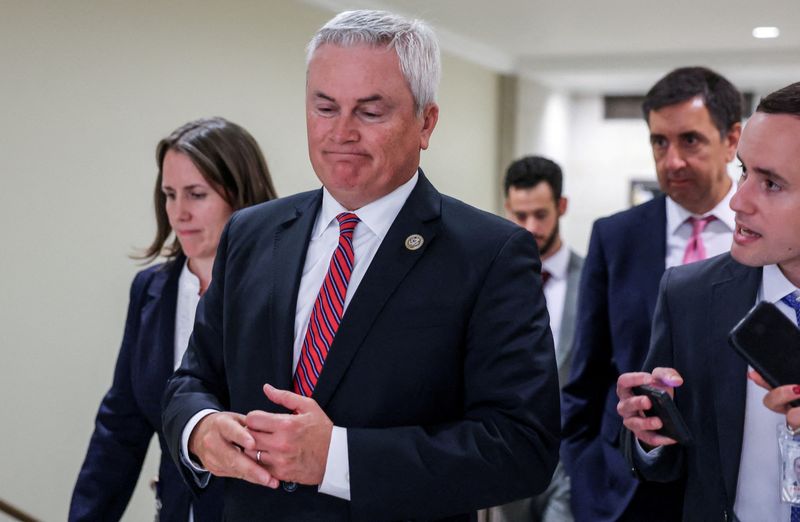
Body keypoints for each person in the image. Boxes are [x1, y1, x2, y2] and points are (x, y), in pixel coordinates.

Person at [161, 9, 561, 522]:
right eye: (324, 108)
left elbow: (521, 449)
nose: (341, 132)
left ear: (426, 122)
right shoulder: (252, 233)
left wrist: (337, 458)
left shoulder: (490, 254)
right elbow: (190, 380)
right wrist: (200, 428)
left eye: (370, 112)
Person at [69, 117, 278, 522]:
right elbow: (120, 428)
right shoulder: (150, 290)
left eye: (196, 195)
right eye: (169, 194)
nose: (178, 213)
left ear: (239, 194)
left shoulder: (284, 288)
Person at [560, 66, 742, 522]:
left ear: (732, 139)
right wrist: (584, 475)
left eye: (690, 140)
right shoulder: (615, 237)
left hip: (734, 481)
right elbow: (586, 374)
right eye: (659, 142)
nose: (672, 159)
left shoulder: (761, 232)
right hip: (625, 487)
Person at [616, 82, 800, 521]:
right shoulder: (688, 296)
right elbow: (668, 467)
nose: (738, 200)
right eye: (744, 171)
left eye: (771, 183)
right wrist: (648, 434)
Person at [489, 156, 582, 522]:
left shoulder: (592, 279)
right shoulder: (490, 282)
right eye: (520, 215)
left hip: (571, 454)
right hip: (506, 451)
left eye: (541, 215)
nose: (530, 227)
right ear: (507, 208)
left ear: (561, 207)